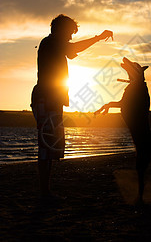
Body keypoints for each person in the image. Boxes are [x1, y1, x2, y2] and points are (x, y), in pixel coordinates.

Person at [31, 14, 113, 198]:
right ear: (60, 29)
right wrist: (99, 37)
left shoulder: (54, 44)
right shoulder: (50, 42)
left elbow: (72, 51)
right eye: (69, 33)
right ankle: (44, 192)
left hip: (52, 100)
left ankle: (46, 191)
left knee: (50, 146)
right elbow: (73, 48)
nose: (70, 37)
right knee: (46, 146)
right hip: (46, 99)